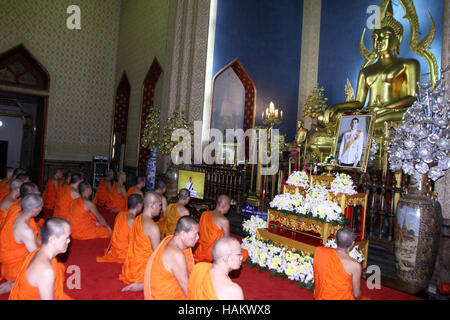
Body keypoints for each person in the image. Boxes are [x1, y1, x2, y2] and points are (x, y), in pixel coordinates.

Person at [320, 1, 420, 126]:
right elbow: (359, 102)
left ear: (397, 38)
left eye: (384, 36)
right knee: (328, 119)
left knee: (408, 115)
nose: (378, 41)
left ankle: (367, 124)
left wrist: (386, 108)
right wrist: (335, 107)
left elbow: (413, 96)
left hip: (391, 113)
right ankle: (365, 124)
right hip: (368, 113)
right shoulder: (366, 71)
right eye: (375, 37)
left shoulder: (408, 64)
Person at [9, 217, 72, 300]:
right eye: (66, 238)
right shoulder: (46, 271)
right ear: (52, 240)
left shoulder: (39, 250)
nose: (69, 241)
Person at [144, 216, 198, 300]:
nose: (198, 237)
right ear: (183, 234)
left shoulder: (169, 239)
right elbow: (188, 291)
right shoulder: (176, 254)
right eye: (195, 234)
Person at [0, 194, 42, 294]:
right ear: (35, 210)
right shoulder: (25, 230)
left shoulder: (16, 210)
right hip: (14, 265)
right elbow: (35, 255)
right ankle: (12, 284)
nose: (42, 209)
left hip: (8, 257)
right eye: (41, 207)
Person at [120, 192, 162, 291]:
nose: (160, 209)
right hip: (142, 271)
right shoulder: (153, 227)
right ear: (152, 205)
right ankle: (144, 284)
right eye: (160, 205)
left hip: (130, 268)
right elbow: (157, 256)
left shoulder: (138, 218)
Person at [313, 227, 364, 300]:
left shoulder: (320, 251)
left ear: (335, 240)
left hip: (320, 297)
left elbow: (317, 276)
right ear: (353, 244)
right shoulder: (354, 265)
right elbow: (356, 294)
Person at [96, 193, 144, 263]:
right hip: (123, 252)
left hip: (115, 248)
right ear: (139, 205)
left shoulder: (120, 214)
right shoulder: (132, 220)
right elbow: (136, 241)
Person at [194, 195, 231, 263]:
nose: (229, 207)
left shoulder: (204, 214)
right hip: (213, 254)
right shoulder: (224, 221)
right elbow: (226, 241)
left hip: (200, 250)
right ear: (225, 205)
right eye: (229, 204)